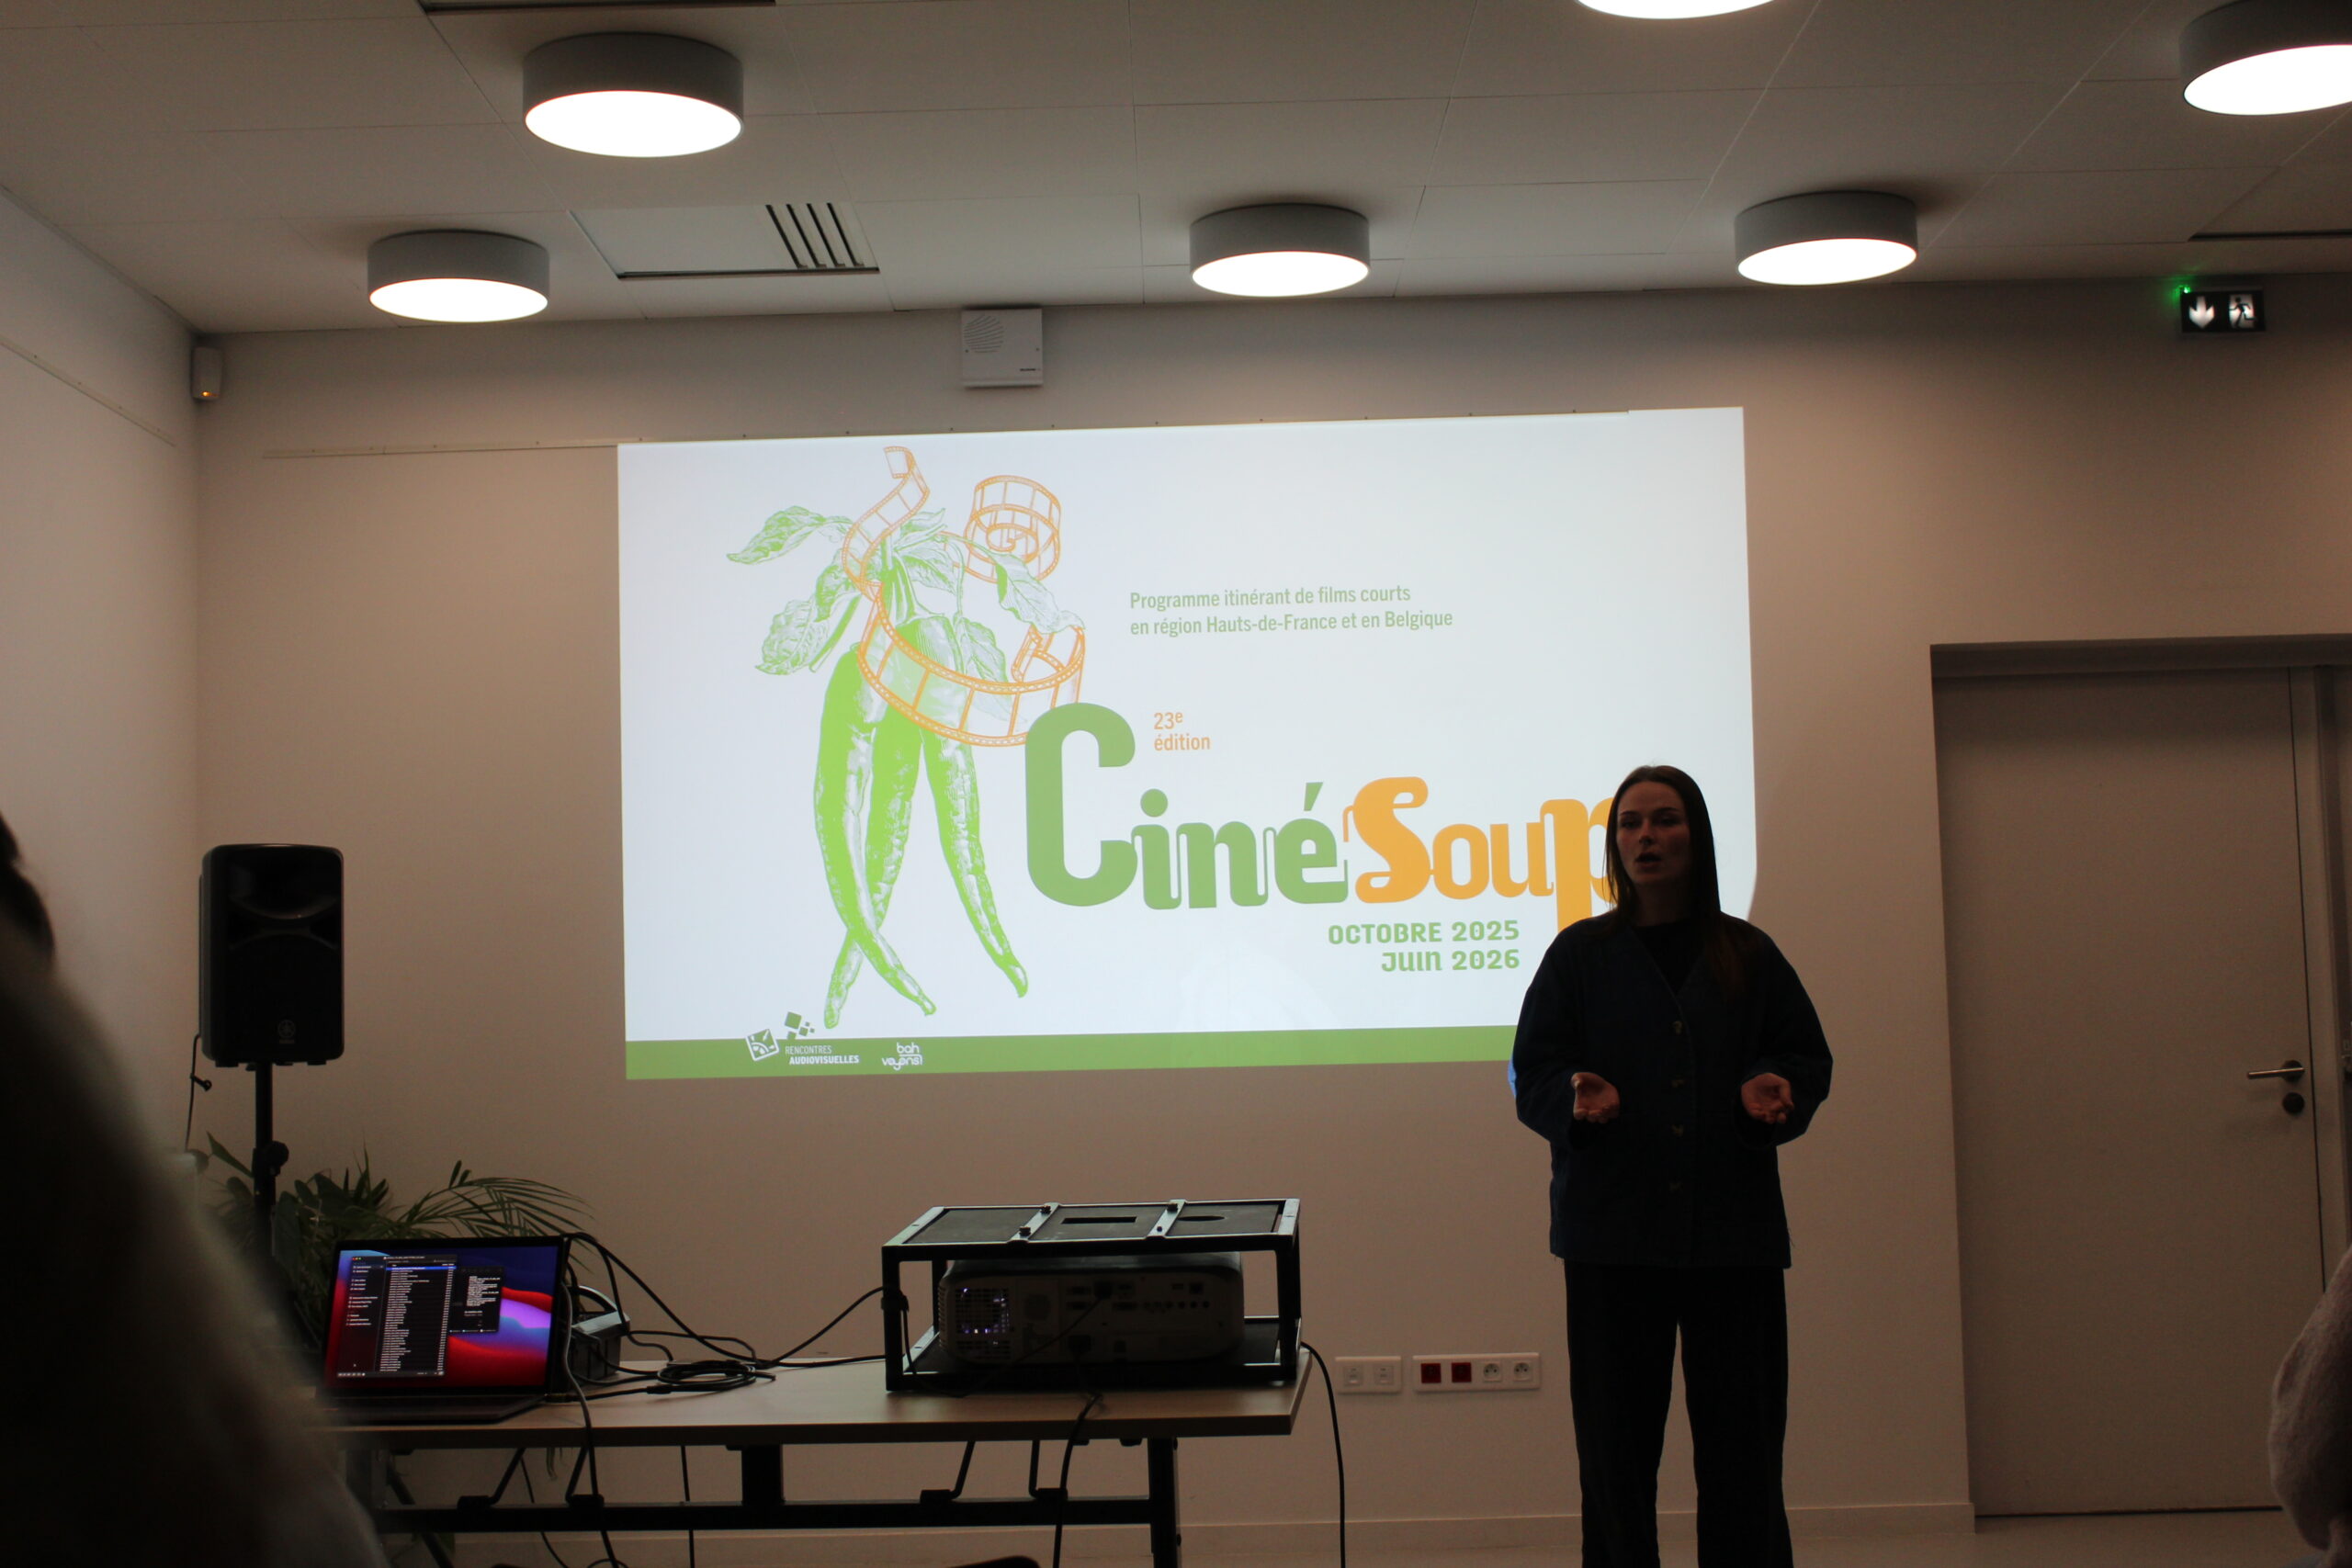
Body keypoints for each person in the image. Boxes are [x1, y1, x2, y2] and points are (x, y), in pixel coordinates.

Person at [1510, 764, 1832, 1568]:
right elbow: (1533, 1070)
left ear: (1697, 836)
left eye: (1664, 820)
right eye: (1630, 823)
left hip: (1733, 1239)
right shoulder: (1579, 955)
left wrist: (1773, 1087)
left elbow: (1805, 1057)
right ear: (1614, 843)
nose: (1646, 837)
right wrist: (1573, 1096)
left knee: (1745, 1452)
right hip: (1611, 1241)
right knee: (1614, 1458)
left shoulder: (1749, 953)